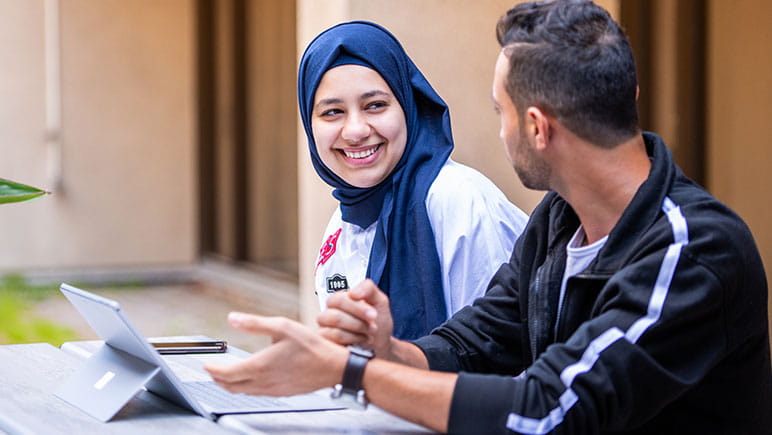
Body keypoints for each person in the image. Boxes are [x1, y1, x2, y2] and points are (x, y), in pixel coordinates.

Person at [206, 1, 772, 434]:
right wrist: (389, 349)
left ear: (536, 128)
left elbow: (548, 412)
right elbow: (482, 338)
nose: (498, 131)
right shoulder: (560, 219)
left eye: (499, 112)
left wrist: (346, 372)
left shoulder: (691, 249)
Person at [298, 21, 528, 339]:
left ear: (408, 106)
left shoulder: (457, 200)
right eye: (332, 112)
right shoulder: (343, 222)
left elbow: (499, 351)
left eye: (375, 106)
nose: (355, 131)